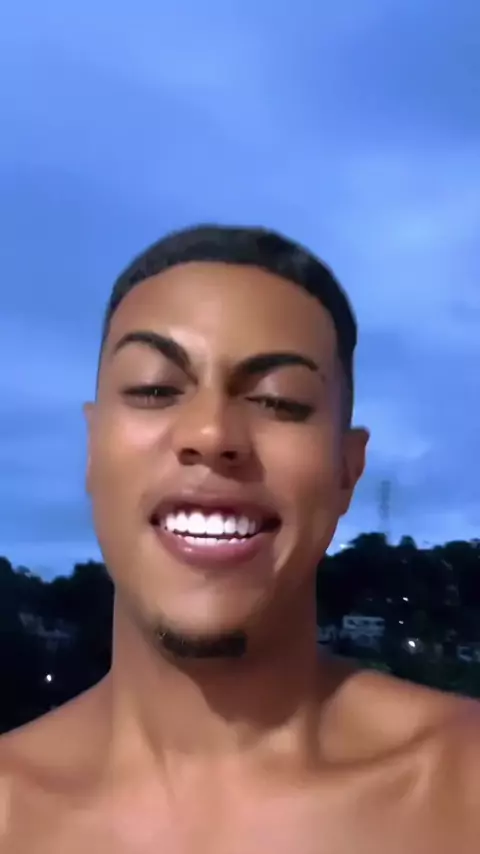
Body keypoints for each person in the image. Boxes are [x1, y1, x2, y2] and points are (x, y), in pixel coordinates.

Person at [1, 225, 479, 853]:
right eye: (154, 390)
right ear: (93, 448)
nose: (211, 433)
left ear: (347, 469)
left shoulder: (461, 785)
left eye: (279, 402)